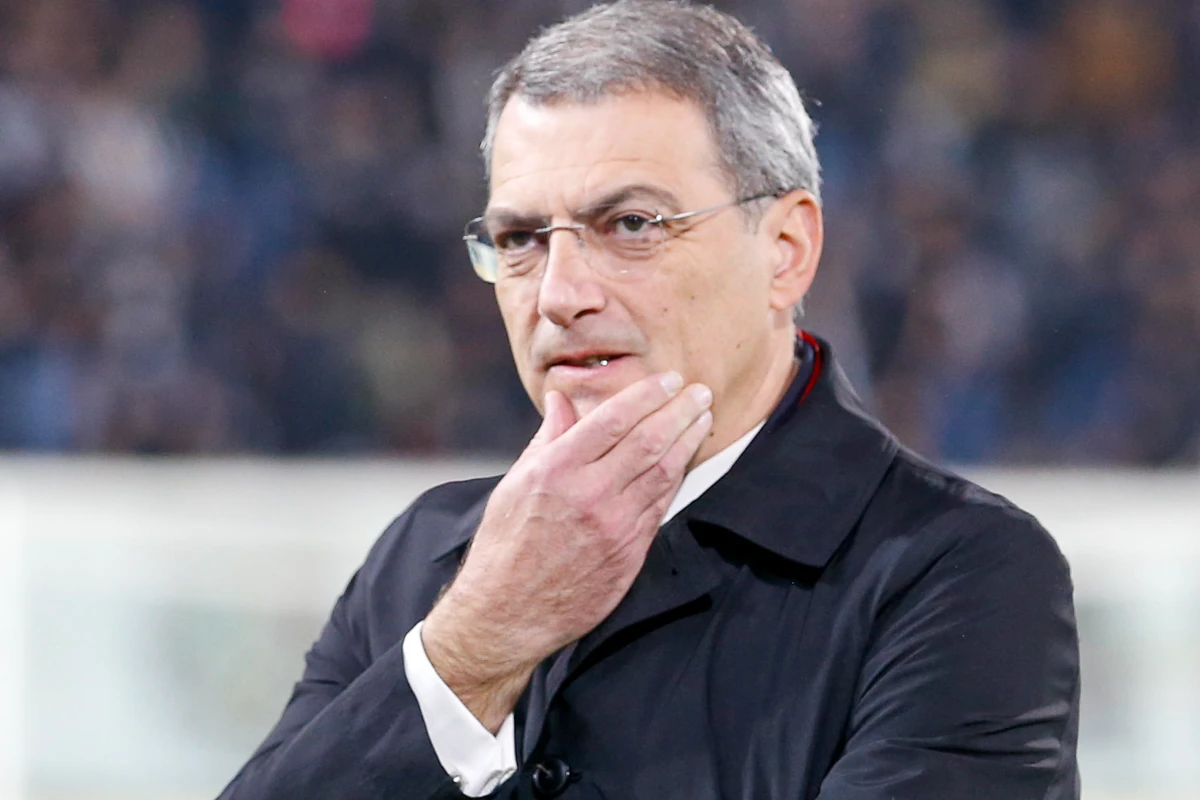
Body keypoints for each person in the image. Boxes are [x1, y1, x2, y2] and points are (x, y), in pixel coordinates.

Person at [218, 2, 1080, 798]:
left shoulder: (960, 575)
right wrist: (473, 651)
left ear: (785, 250)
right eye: (519, 239)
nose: (559, 294)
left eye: (631, 225)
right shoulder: (424, 562)